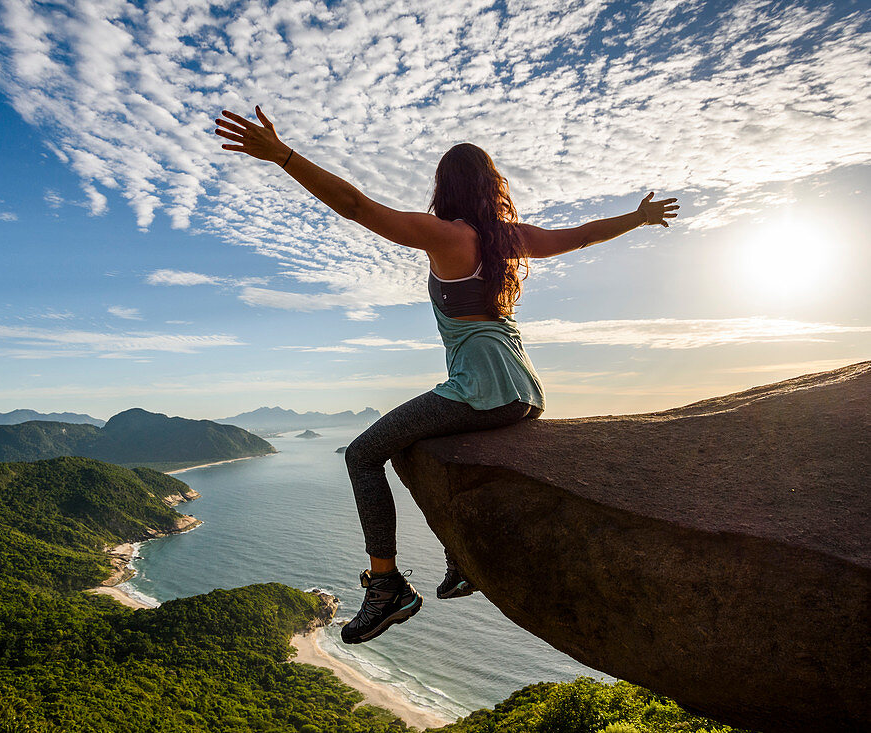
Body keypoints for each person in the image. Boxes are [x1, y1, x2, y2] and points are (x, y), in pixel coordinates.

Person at [214, 105, 678, 645]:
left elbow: (355, 206)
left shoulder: (447, 236)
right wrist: (637, 218)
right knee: (432, 444)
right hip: (524, 392)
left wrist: (283, 155)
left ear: (445, 187)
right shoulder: (510, 240)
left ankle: (386, 587)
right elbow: (580, 236)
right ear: (491, 187)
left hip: (479, 389)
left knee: (364, 454)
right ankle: (462, 559)